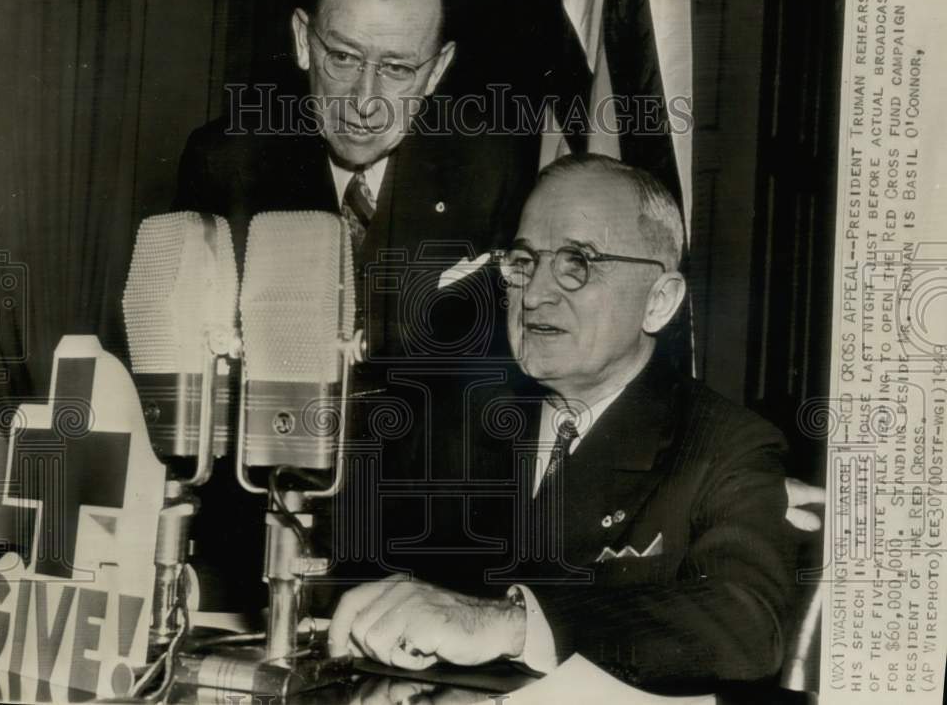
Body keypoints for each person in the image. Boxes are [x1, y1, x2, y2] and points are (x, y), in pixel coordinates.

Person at [328, 154, 795, 693]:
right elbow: (350, 578)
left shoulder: (724, 445)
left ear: (659, 301)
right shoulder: (448, 420)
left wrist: (510, 624)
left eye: (578, 263)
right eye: (524, 262)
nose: (534, 295)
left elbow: (747, 624)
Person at [175, 0, 534, 611]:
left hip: (426, 569)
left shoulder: (492, 169)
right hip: (254, 558)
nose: (365, 102)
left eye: (398, 69)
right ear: (303, 39)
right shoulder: (226, 161)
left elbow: (500, 401)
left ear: (437, 69)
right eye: (343, 58)